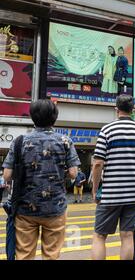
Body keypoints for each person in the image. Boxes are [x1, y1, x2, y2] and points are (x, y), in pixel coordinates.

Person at [1, 99, 80, 260]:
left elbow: (7, 175)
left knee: (24, 254)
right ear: (54, 117)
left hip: (25, 209)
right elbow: (73, 173)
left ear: (32, 117)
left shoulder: (19, 141)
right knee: (51, 254)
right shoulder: (65, 141)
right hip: (55, 209)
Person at [91, 95, 135, 260]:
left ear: (116, 109)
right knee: (127, 236)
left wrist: (95, 189)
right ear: (133, 111)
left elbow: (98, 163)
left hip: (111, 194)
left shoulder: (107, 130)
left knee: (99, 236)